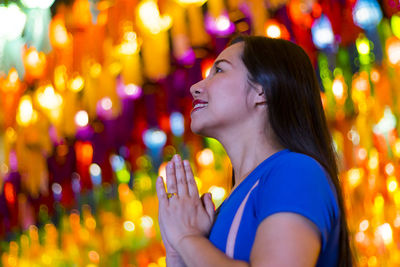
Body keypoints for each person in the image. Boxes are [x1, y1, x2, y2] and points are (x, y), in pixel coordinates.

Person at [155, 35, 352, 267]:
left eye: (219, 71)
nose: (195, 87)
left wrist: (186, 239)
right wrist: (177, 254)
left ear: (262, 91)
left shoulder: (297, 171)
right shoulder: (218, 213)